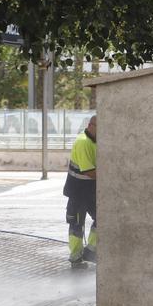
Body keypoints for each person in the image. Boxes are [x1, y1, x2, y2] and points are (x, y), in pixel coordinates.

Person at [63, 115, 98, 268]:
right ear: (91, 125)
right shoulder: (83, 142)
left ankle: (90, 250)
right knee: (77, 224)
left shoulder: (95, 141)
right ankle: (76, 257)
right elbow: (89, 171)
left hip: (90, 190)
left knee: (102, 218)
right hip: (78, 191)